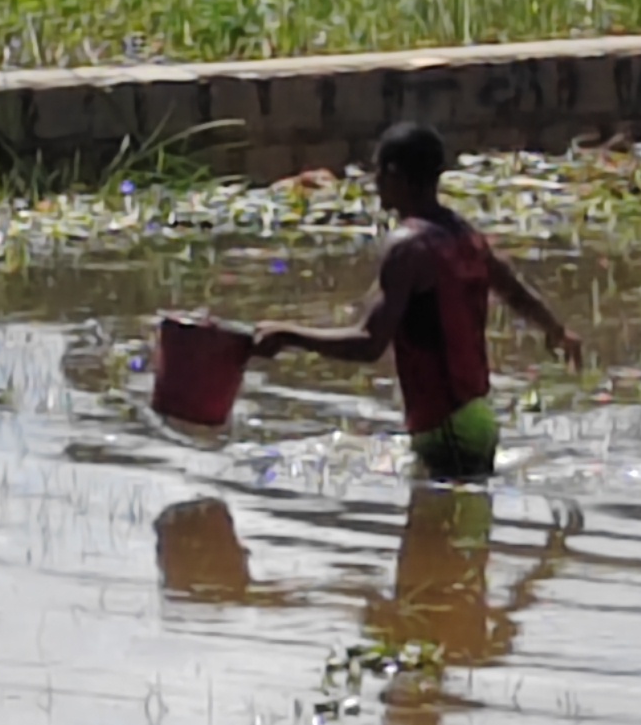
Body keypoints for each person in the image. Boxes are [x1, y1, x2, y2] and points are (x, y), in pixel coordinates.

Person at [248, 121, 584, 478]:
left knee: (450, 529)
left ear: (395, 174)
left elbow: (369, 344)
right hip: (473, 418)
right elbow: (514, 292)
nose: (375, 183)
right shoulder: (462, 233)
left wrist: (288, 335)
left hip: (447, 429)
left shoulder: (407, 246)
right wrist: (556, 330)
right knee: (449, 525)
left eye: (378, 171)